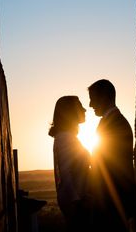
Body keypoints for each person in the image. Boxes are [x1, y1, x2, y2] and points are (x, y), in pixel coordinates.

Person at [88, 79, 136, 232]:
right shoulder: (111, 122)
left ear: (103, 98)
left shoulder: (117, 124)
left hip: (113, 203)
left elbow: (112, 168)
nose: (90, 104)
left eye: (92, 99)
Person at [49, 96, 91, 232]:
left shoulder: (64, 137)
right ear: (70, 112)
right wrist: (77, 204)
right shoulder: (66, 138)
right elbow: (66, 173)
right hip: (78, 205)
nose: (84, 109)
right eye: (80, 106)